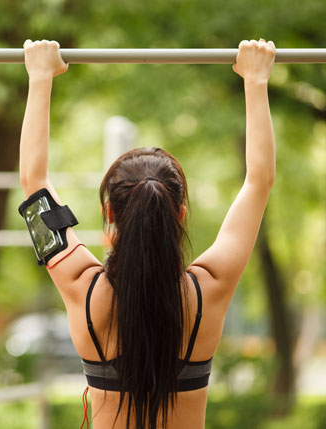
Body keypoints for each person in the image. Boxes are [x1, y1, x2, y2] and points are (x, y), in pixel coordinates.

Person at [18, 39, 276, 429]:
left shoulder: (82, 288)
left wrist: (40, 77)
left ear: (109, 214)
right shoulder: (207, 291)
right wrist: (256, 81)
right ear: (181, 216)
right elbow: (259, 181)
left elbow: (33, 181)